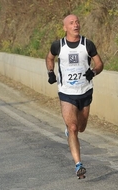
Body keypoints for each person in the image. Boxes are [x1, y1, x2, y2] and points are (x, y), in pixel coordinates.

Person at [45, 14, 104, 179]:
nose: (75, 25)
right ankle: (79, 165)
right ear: (65, 27)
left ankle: (71, 129)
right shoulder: (58, 45)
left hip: (84, 91)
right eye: (71, 23)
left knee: (81, 127)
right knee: (72, 128)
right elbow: (49, 58)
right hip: (66, 92)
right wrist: (50, 72)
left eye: (77, 22)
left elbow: (99, 64)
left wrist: (93, 72)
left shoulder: (87, 44)